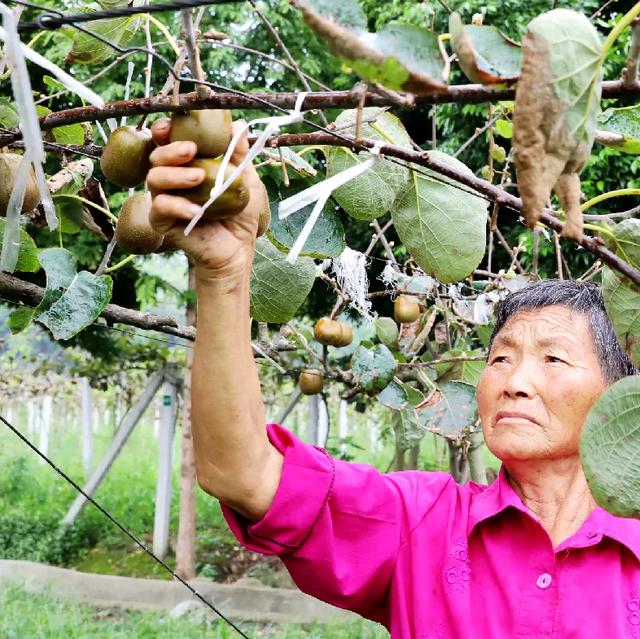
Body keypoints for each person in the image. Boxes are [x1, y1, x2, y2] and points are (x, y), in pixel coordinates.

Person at [146, 118, 640, 638]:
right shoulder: (422, 524)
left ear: (619, 394)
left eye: (553, 359)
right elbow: (242, 476)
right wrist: (224, 272)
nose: (513, 381)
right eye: (499, 358)